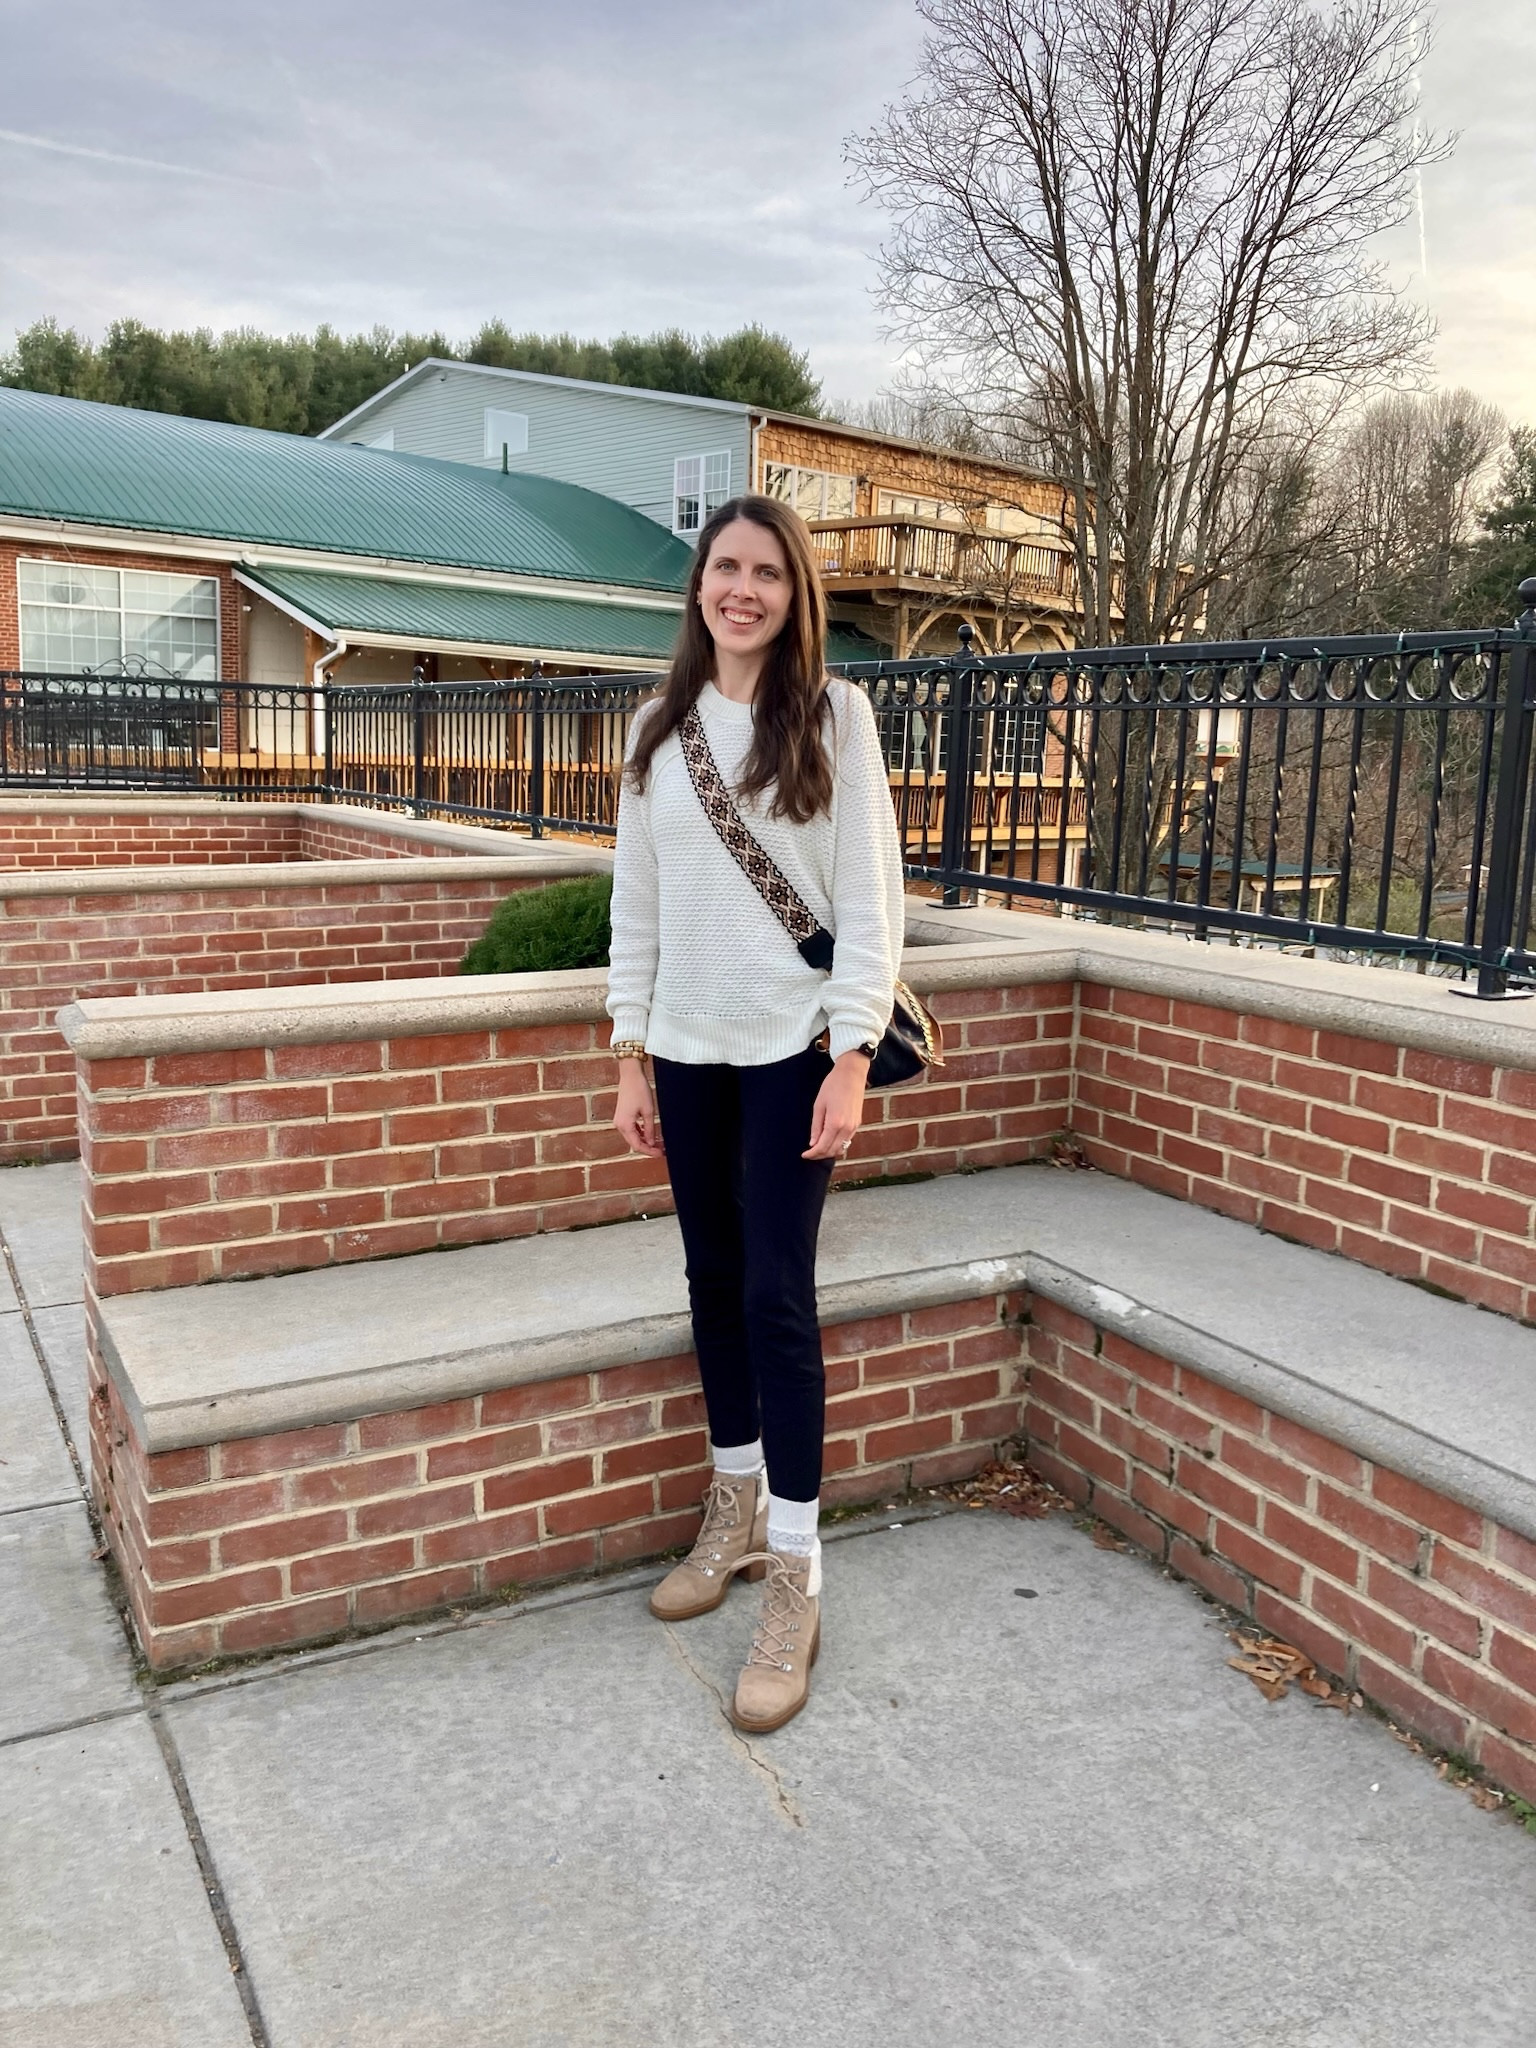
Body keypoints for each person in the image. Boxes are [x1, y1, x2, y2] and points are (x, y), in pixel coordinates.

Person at [606, 493, 904, 1733]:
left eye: (766, 572)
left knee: (778, 1293)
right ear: (698, 587)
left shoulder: (836, 715)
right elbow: (641, 907)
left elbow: (872, 900)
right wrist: (628, 1049)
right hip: (685, 1046)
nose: (742, 588)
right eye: (724, 566)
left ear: (795, 595)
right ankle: (730, 1501)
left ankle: (796, 1569)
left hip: (793, 1049)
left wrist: (852, 1054)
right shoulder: (657, 729)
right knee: (710, 1276)